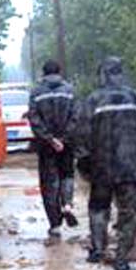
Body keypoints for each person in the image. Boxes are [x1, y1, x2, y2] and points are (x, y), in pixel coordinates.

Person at [78, 56, 136, 270]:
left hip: (101, 169)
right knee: (128, 215)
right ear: (120, 73)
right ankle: (121, 263)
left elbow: (82, 137)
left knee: (98, 209)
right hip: (132, 169)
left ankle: (97, 250)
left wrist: (85, 167)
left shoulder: (92, 101)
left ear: (102, 74)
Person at [28, 60, 78, 238]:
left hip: (46, 146)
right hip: (67, 144)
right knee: (67, 175)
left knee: (50, 184)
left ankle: (55, 225)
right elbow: (75, 117)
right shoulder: (69, 90)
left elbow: (34, 119)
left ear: (43, 73)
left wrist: (50, 139)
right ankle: (67, 205)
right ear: (59, 71)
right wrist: (64, 139)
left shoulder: (36, 92)